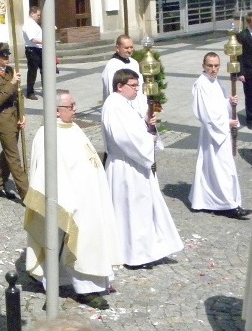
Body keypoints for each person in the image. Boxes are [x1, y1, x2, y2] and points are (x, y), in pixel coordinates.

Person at [24, 91, 121, 310]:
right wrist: (66, 201)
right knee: (75, 243)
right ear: (56, 110)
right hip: (69, 201)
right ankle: (84, 290)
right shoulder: (46, 134)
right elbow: (45, 172)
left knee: (90, 241)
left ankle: (88, 283)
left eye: (75, 105)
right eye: (71, 106)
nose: (75, 109)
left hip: (89, 198)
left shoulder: (74, 129)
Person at [102, 68, 183, 268]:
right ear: (119, 86)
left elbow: (135, 130)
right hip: (126, 166)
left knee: (144, 208)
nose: (137, 90)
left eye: (138, 85)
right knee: (132, 210)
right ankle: (135, 254)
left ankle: (148, 249)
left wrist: (147, 124)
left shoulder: (124, 104)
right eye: (133, 86)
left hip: (136, 164)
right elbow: (124, 138)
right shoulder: (114, 105)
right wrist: (149, 140)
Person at [190, 52, 250, 219]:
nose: (213, 69)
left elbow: (218, 105)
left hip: (219, 133)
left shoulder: (216, 82)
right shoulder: (201, 84)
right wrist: (227, 122)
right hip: (213, 134)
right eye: (210, 65)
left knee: (219, 168)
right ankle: (227, 206)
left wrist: (229, 102)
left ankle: (213, 201)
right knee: (220, 168)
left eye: (216, 65)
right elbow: (206, 114)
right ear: (203, 66)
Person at [0, 42, 28, 201]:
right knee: (14, 158)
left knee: (8, 154)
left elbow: (19, 95)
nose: (7, 58)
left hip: (15, 117)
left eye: (8, 55)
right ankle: (27, 195)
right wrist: (12, 83)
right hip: (3, 120)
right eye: (3, 56)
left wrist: (22, 114)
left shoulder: (10, 71)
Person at [101, 34, 147, 114]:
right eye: (126, 48)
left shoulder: (134, 62)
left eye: (131, 47)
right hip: (121, 110)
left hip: (138, 107)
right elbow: (111, 90)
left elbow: (140, 85)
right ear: (117, 48)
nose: (129, 50)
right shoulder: (112, 66)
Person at [22, 5, 42, 100]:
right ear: (32, 13)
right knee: (32, 71)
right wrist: (46, 40)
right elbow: (33, 39)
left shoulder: (34, 24)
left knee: (44, 70)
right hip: (32, 49)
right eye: (38, 15)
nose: (39, 17)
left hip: (38, 49)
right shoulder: (28, 24)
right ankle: (30, 92)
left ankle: (47, 89)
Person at [238, 13, 252, 128]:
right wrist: (241, 73)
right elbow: (239, 56)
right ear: (249, 23)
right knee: (250, 97)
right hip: (248, 72)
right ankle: (250, 120)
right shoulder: (242, 36)